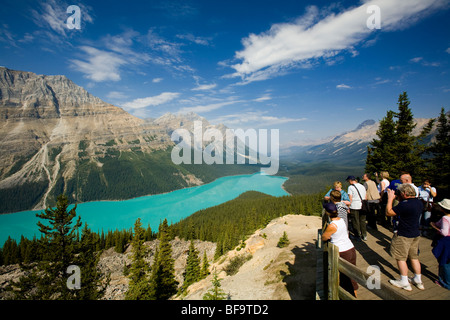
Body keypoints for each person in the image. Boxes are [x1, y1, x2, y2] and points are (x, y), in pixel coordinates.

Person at [386, 184, 424, 291]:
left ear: (404, 194)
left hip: (403, 234)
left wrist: (390, 199)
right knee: (414, 257)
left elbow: (388, 212)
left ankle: (404, 281)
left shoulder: (404, 205)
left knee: (401, 258)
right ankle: (418, 279)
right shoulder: (419, 202)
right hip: (415, 233)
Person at [321, 202, 358, 297]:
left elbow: (324, 237)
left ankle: (348, 296)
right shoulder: (341, 220)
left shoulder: (332, 226)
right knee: (352, 274)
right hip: (351, 249)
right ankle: (355, 294)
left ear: (328, 213)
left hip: (342, 252)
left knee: (344, 278)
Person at [431, 199, 450, 289]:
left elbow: (445, 232)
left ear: (443, 209)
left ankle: (445, 282)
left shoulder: (445, 218)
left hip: (446, 241)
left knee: (444, 262)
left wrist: (435, 227)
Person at [346, 176, 367, 241]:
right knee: (362, 221)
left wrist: (348, 207)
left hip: (354, 206)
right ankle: (364, 235)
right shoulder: (362, 186)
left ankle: (358, 236)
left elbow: (350, 198)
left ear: (350, 180)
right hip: (362, 205)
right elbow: (365, 197)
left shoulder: (350, 187)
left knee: (355, 221)